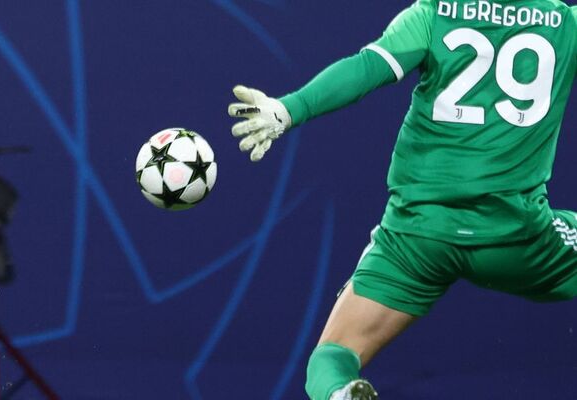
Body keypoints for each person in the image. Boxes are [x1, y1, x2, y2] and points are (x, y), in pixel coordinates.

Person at [228, 1, 577, 399]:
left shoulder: (436, 12)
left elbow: (367, 68)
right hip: (514, 235)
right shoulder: (565, 24)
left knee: (332, 355)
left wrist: (288, 109)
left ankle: (341, 394)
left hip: (417, 236)